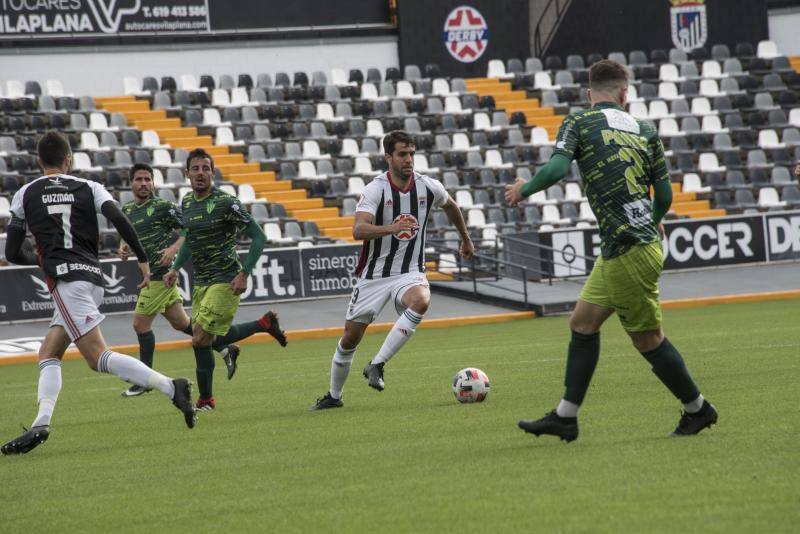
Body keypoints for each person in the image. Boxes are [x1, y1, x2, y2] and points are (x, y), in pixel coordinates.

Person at [505, 60, 717, 441]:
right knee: (582, 323)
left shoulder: (580, 123)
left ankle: (698, 409)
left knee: (648, 339)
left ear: (589, 94)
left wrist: (523, 190)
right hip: (631, 244)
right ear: (625, 94)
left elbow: (555, 172)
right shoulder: (645, 129)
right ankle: (565, 417)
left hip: (628, 249)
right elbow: (665, 196)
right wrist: (651, 219)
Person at [1, 131, 196, 455]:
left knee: (97, 357)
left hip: (67, 282)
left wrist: (42, 261)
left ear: (39, 161)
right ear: (68, 160)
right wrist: (143, 260)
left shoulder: (25, 193)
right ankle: (41, 422)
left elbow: (11, 250)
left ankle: (170, 387)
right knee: (49, 352)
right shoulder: (89, 187)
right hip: (93, 278)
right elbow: (119, 218)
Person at [311, 130, 474, 411]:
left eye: (411, 153)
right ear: (388, 157)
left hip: (409, 271)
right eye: (402, 154)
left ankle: (377, 364)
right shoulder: (376, 189)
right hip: (373, 275)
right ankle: (334, 396)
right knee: (350, 339)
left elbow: (451, 206)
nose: (408, 159)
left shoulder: (427, 186)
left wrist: (465, 237)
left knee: (421, 300)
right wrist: (392, 227)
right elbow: (358, 229)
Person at [163, 148, 287, 412]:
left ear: (212, 172)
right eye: (195, 169)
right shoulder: (186, 202)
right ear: (187, 174)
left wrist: (244, 273)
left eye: (205, 168)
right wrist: (175, 267)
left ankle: (205, 400)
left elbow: (259, 236)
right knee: (205, 339)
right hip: (201, 282)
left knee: (198, 337)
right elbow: (190, 241)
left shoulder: (226, 202)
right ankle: (263, 324)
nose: (200, 173)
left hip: (226, 279)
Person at [118, 163, 240, 397]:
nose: (143, 184)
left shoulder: (163, 207)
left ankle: (144, 379)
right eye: (139, 179)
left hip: (159, 276)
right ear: (131, 183)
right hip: (153, 276)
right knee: (183, 324)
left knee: (139, 324)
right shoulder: (129, 209)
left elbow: (189, 231)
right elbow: (128, 236)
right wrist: (123, 247)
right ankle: (225, 348)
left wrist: (174, 249)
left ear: (153, 182)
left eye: (147, 179)